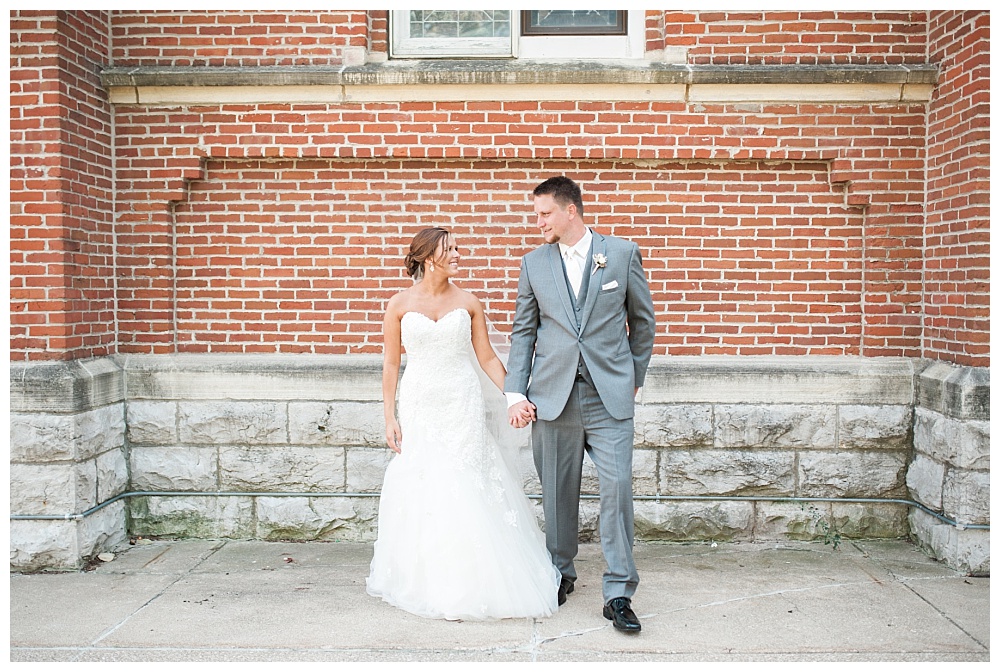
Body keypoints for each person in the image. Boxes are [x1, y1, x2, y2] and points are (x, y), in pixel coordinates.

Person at [367, 226, 560, 621]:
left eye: (456, 247)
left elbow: (488, 358)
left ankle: (474, 577)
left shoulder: (469, 301)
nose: (458, 253)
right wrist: (389, 415)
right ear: (426, 256)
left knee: (466, 476)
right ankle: (429, 578)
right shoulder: (399, 304)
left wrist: (515, 395)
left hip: (461, 399)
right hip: (421, 401)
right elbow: (390, 362)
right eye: (449, 248)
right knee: (427, 480)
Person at [504, 176, 656, 633]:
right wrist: (516, 391)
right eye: (536, 215)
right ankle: (559, 573)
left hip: (609, 397)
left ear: (571, 211)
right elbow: (523, 331)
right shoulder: (533, 264)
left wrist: (633, 380)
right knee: (557, 491)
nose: (539, 222)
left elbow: (643, 323)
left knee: (617, 490)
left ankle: (618, 593)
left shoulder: (622, 254)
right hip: (552, 396)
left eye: (545, 213)